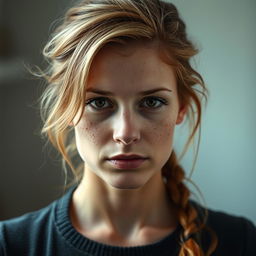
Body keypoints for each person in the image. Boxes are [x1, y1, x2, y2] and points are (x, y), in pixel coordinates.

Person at [0, 0, 255, 255]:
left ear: (181, 108)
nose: (126, 133)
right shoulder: (11, 245)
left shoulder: (240, 242)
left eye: (152, 101)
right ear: (67, 107)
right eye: (99, 102)